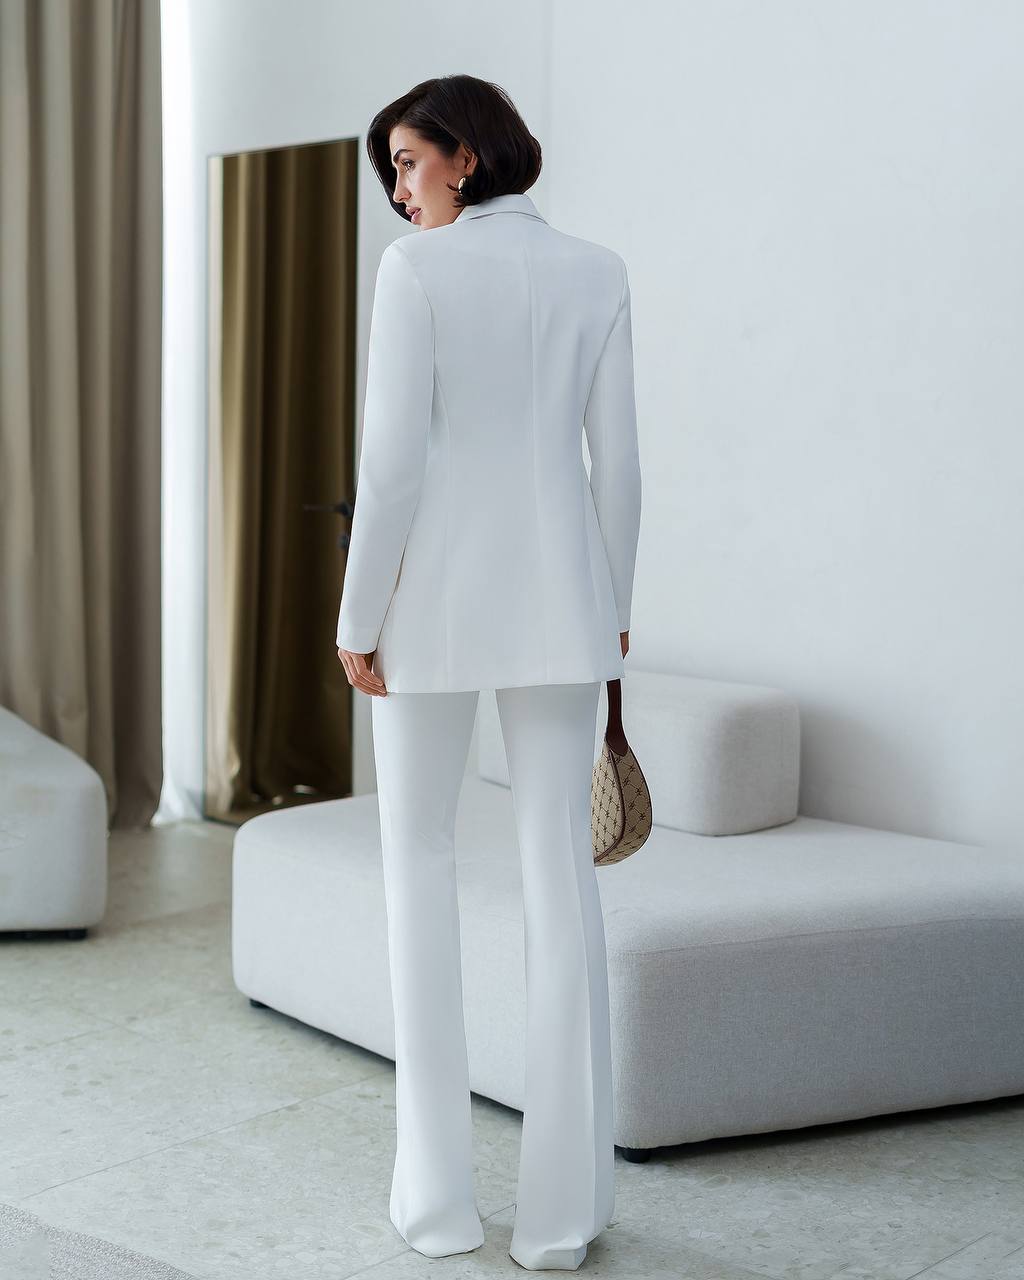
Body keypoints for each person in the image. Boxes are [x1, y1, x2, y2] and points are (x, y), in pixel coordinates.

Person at [335, 74, 642, 1272]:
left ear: (465, 157)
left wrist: (357, 617)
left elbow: (392, 465)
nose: (399, 194)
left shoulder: (415, 275)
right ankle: (562, 1219)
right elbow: (616, 465)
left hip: (428, 614)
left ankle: (439, 1207)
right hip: (568, 609)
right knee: (559, 880)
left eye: (406, 165)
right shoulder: (598, 270)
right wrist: (612, 605)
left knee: (417, 869)